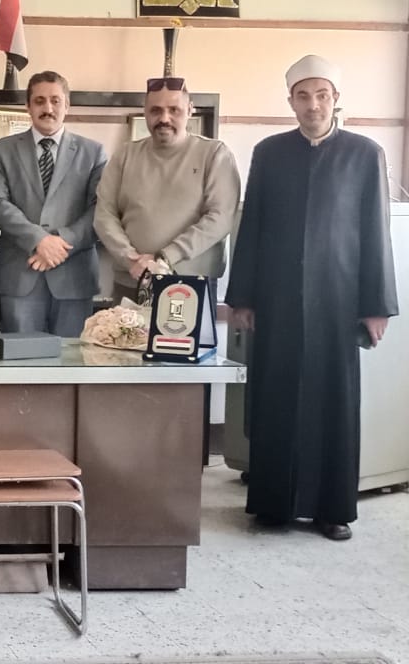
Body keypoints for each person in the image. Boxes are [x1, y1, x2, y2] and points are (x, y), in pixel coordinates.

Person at [226, 54, 397, 541]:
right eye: (303, 96)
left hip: (339, 302)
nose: (313, 104)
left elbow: (376, 232)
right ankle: (273, 504)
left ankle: (332, 509)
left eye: (321, 95)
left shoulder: (365, 154)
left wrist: (376, 306)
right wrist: (243, 297)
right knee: (274, 396)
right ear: (291, 101)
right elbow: (252, 225)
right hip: (277, 298)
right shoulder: (269, 152)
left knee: (333, 404)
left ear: (335, 99)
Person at [94, 76, 240, 302]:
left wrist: (166, 257)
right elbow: (104, 214)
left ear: (190, 110)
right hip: (131, 279)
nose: (164, 118)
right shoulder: (125, 155)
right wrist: (130, 259)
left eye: (174, 110)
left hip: (190, 284)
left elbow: (220, 217)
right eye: (156, 110)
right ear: (145, 111)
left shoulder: (214, 154)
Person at [0, 71, 107, 336]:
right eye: (39, 101)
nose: (48, 108)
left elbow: (100, 210)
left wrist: (61, 243)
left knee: (72, 357)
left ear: (67, 105)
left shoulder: (93, 152)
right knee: (22, 357)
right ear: (28, 106)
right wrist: (39, 240)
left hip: (74, 274)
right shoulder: (1, 150)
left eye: (55, 100)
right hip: (20, 273)